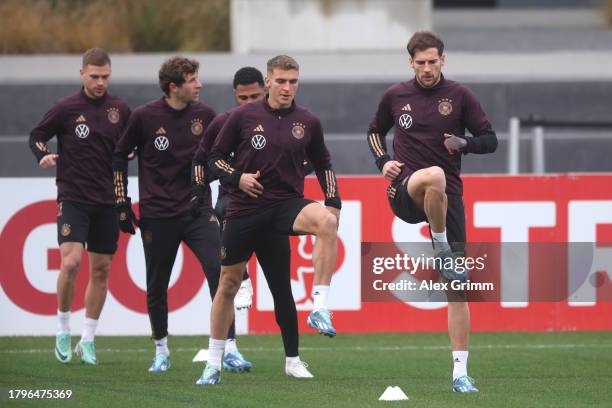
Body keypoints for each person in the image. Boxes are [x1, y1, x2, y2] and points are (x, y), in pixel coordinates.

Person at [197, 55, 342, 385]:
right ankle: (214, 361)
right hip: (244, 211)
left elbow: (323, 163)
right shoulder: (242, 117)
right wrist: (238, 178)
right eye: (281, 81)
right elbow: (213, 160)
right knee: (227, 286)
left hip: (285, 206)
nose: (287, 87)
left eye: (293, 81)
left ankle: (310, 326)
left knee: (324, 227)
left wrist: (333, 200)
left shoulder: (308, 121)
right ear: (268, 82)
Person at [367, 31, 498, 393]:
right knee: (434, 175)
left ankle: (460, 373)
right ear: (411, 63)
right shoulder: (396, 95)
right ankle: (440, 247)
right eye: (420, 62)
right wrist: (383, 162)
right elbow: (375, 130)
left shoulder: (460, 96)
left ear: (443, 60)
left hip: (447, 198)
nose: (427, 68)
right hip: (406, 190)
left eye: (432, 61)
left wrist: (465, 143)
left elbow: (490, 139)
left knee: (456, 289)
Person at [113, 57, 251, 373]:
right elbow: (119, 156)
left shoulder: (206, 116)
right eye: (192, 80)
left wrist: (208, 185)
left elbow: (222, 156)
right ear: (174, 87)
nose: (199, 84)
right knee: (157, 284)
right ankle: (161, 350)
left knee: (220, 273)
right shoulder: (144, 117)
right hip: (158, 214)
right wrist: (121, 202)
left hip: (197, 210)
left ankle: (229, 347)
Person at [29, 48, 130, 365]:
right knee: (71, 263)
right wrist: (42, 154)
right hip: (73, 197)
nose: (100, 82)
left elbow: (132, 144)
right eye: (95, 76)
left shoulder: (120, 108)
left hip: (108, 201)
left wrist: (130, 153)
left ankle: (87, 339)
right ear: (82, 74)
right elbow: (37, 136)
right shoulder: (66, 108)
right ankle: (62, 328)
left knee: (101, 270)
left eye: (105, 76)